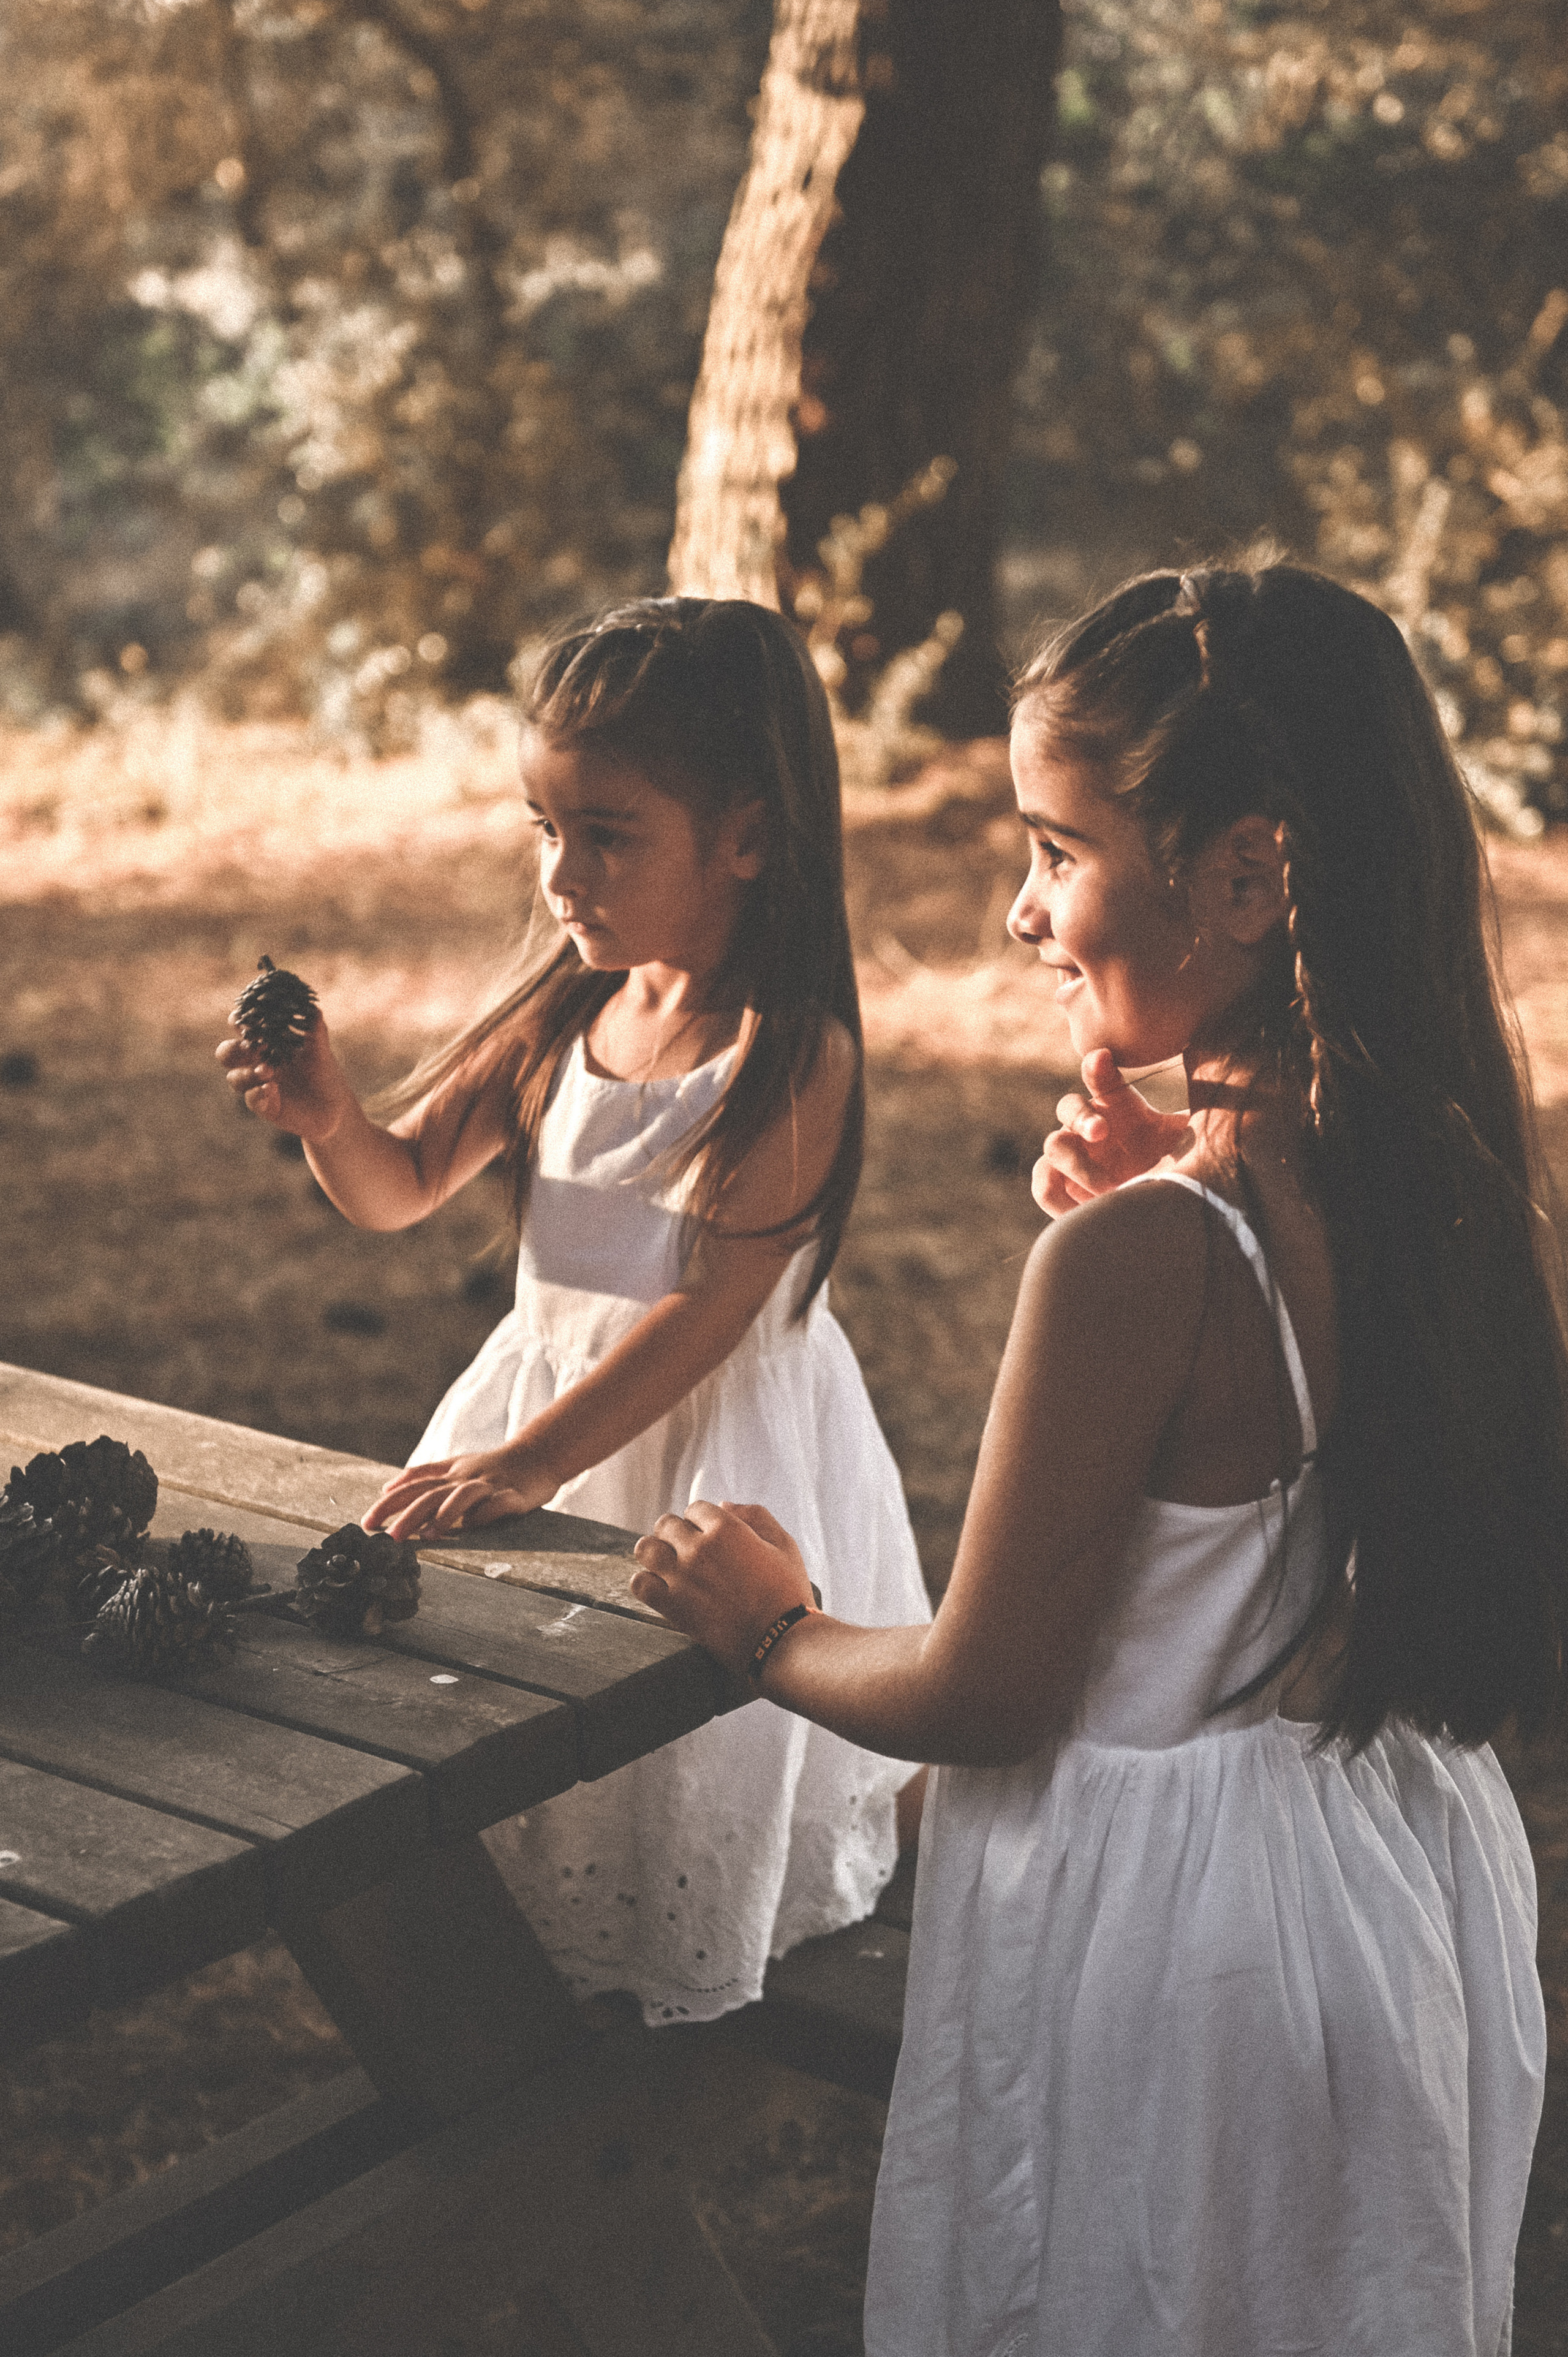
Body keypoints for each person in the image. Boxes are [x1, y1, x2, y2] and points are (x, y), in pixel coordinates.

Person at [630, 561, 1564, 2355]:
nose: (1017, 913)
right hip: (1388, 1892)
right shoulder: (1444, 1164)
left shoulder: (1140, 1261)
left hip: (1177, 1957)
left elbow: (988, 1689)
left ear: (1240, 875)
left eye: (1056, 852)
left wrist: (771, 1622)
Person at [217, 596, 930, 2025]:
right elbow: (402, 1180)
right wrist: (328, 1115)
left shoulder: (786, 1054)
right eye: (544, 827)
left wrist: (530, 1463)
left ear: (745, 834)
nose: (560, 874)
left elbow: (711, 1311)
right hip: (540, 1408)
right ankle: (534, 1967)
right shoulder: (559, 1010)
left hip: (706, 1447)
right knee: (518, 1719)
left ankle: (678, 1964)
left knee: (676, 1736)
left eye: (607, 834)